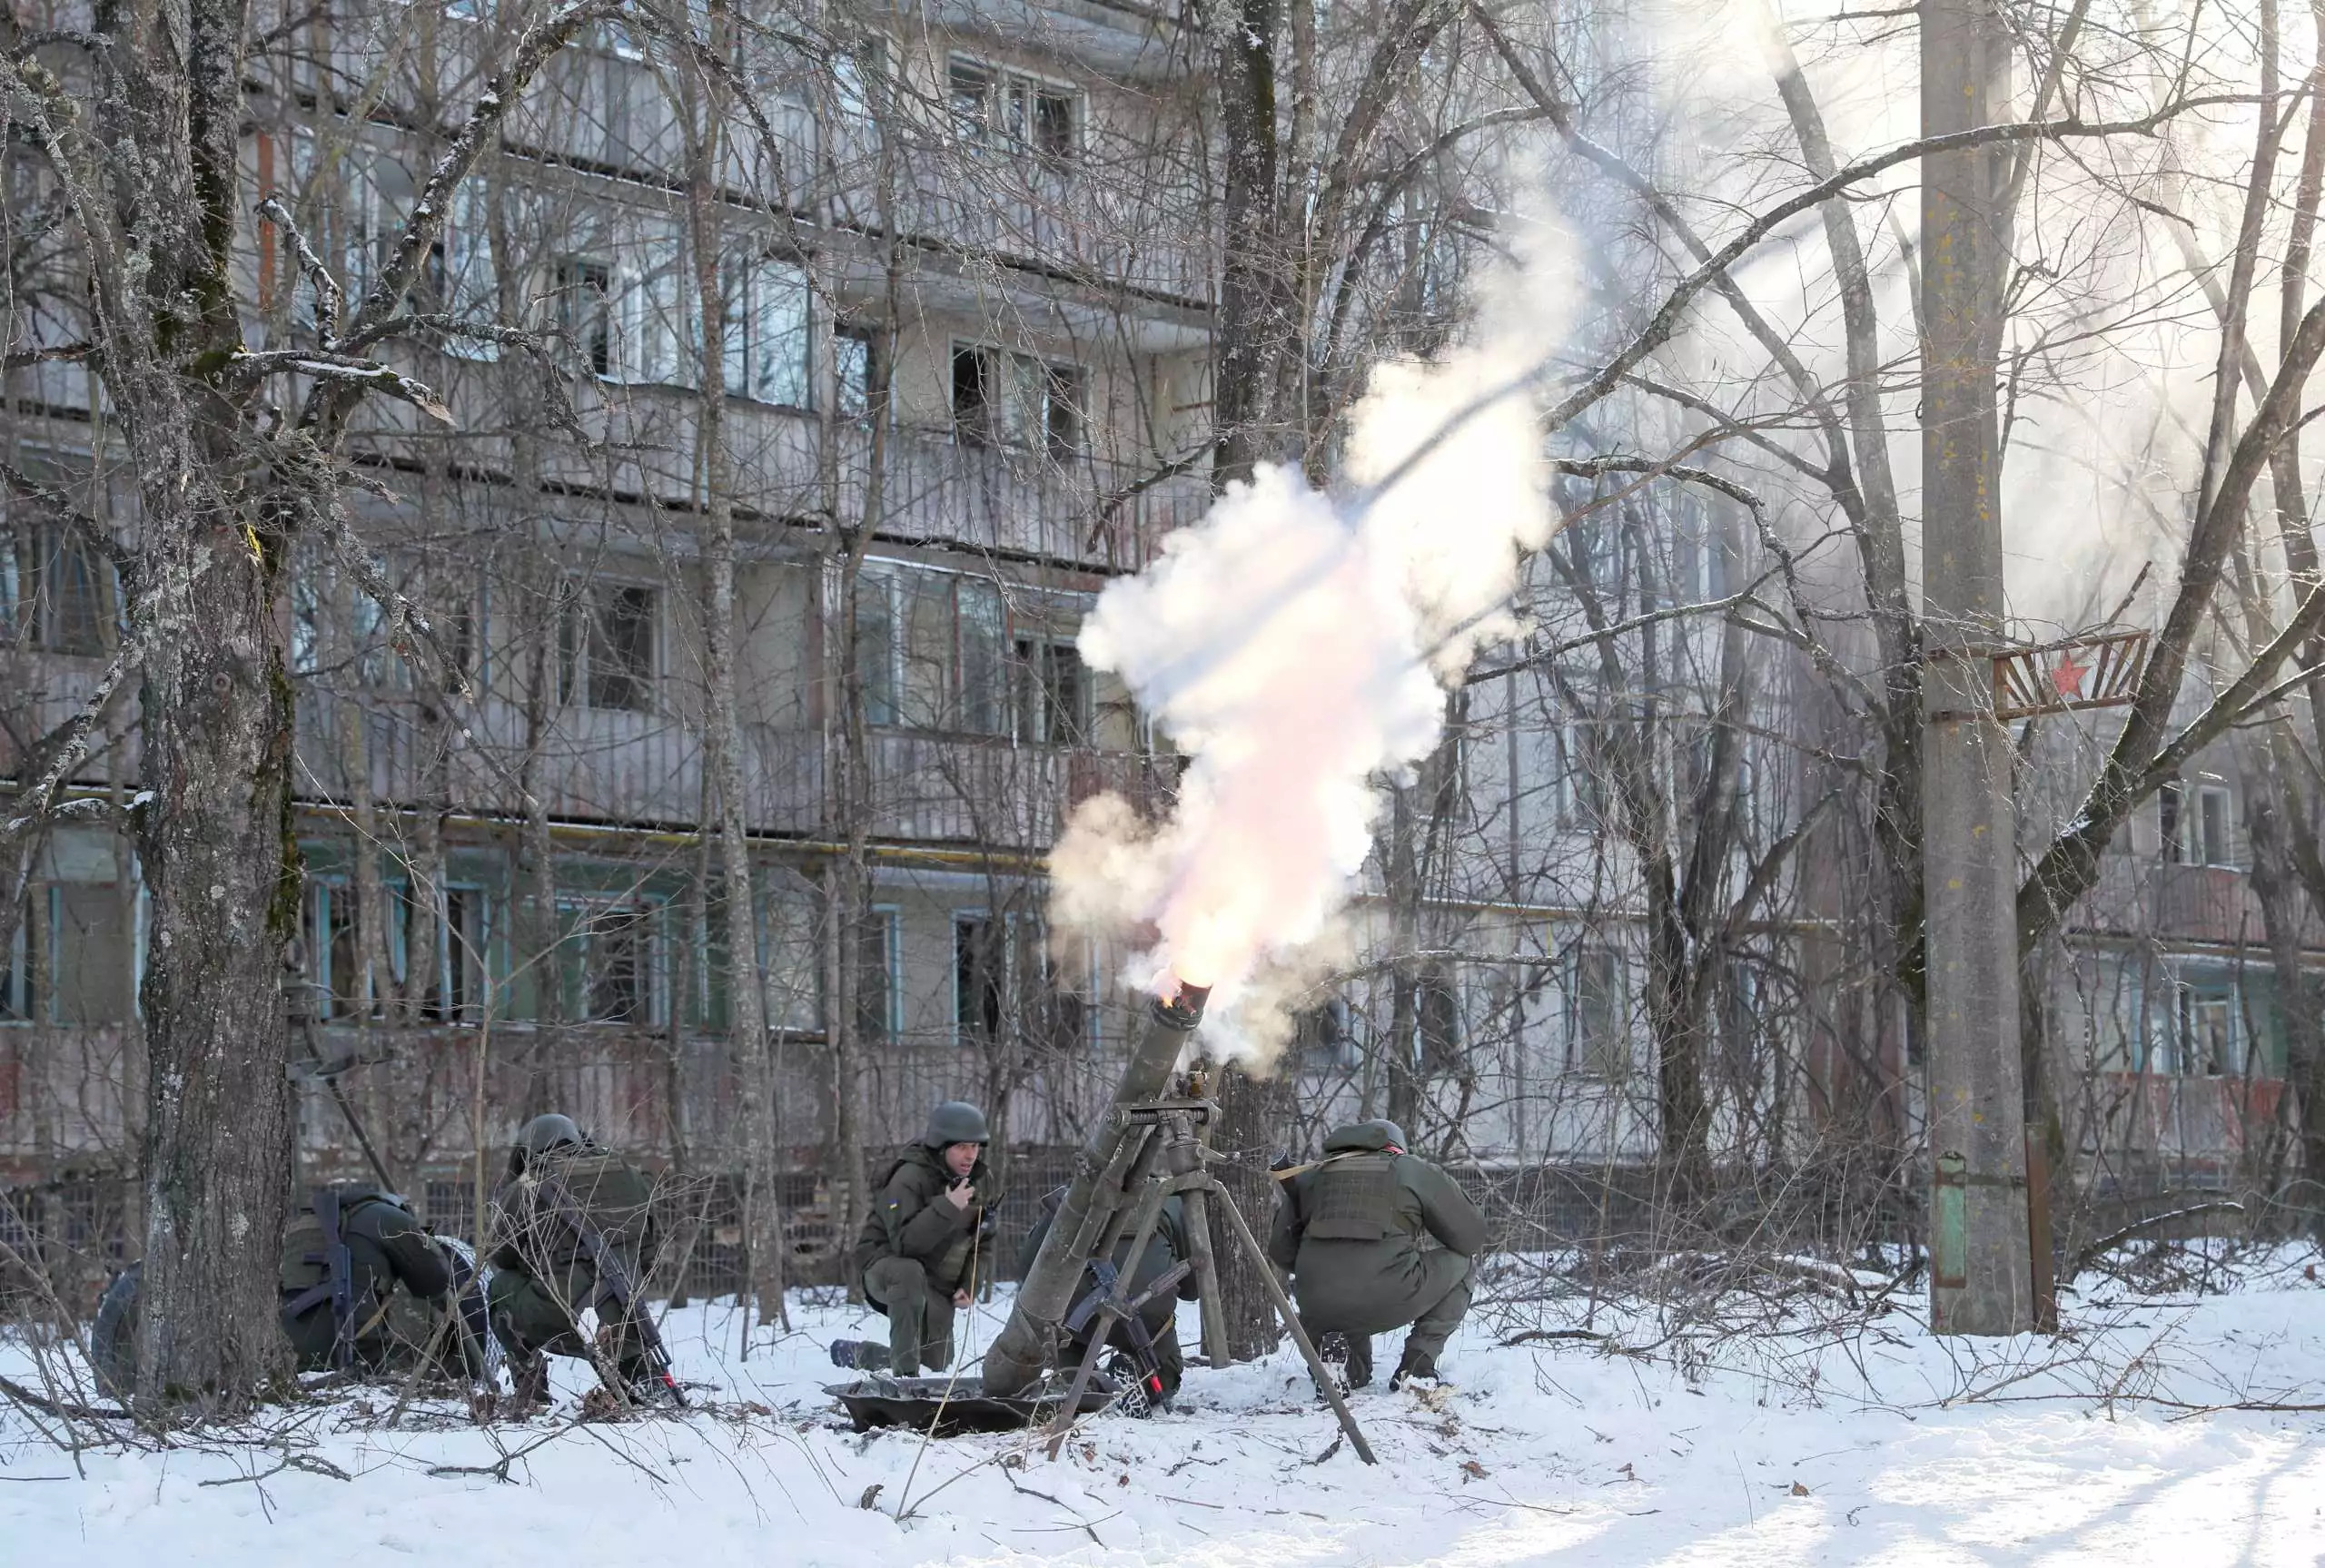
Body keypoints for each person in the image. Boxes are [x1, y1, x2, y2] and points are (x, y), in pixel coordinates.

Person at [89, 1185, 473, 1398]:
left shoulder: (298, 1226)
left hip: (278, 1358)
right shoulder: (387, 1217)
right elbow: (437, 1281)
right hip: (353, 1359)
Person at [1268, 1119, 1488, 1391]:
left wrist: (1324, 1270)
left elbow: (1280, 1250)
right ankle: (1416, 1368)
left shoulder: (1312, 1175)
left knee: (1354, 1372)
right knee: (1463, 1266)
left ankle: (1338, 1366)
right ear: (1396, 1147)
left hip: (1319, 1305)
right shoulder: (1410, 1169)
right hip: (1387, 1291)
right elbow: (1471, 1237)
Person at [485, 1112, 660, 1411]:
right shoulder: (627, 1173)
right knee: (621, 1329)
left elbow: (502, 1256)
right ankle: (644, 1391)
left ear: (528, 1152)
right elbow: (650, 1250)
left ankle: (532, 1396)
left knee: (501, 1289)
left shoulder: (527, 1187)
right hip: (625, 1309)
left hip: (560, 1313)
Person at [830, 1100, 995, 1378]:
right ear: (941, 1147)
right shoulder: (908, 1177)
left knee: (936, 1367)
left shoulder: (980, 1180)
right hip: (885, 1269)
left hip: (933, 1279)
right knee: (908, 1271)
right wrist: (948, 1207)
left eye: (975, 1147)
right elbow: (905, 1245)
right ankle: (905, 1382)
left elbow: (985, 1238)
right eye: (961, 1147)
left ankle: (861, 1354)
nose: (970, 1155)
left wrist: (970, 1283)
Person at [1017, 1184, 1197, 1405]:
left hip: (1082, 1320)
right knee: (1164, 1370)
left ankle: (1081, 1384)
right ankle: (1138, 1379)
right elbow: (1192, 1290)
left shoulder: (1074, 1199)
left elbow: (1026, 1269)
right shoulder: (1169, 1199)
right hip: (1149, 1315)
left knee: (1066, 1336)